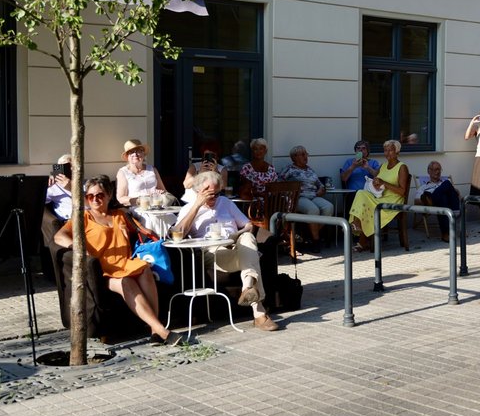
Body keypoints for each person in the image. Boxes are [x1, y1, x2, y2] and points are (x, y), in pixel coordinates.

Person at [54, 175, 183, 345]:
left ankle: (154, 331)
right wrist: (75, 246)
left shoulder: (120, 215)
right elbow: (58, 236)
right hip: (103, 269)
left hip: (125, 263)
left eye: (99, 195)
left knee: (144, 269)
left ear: (109, 195)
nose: (95, 199)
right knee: (126, 282)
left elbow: (145, 232)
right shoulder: (83, 218)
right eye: (90, 196)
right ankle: (161, 330)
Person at [174, 171, 279, 331]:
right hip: (212, 253)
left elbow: (248, 225)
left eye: (217, 193)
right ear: (197, 191)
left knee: (248, 238)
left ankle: (247, 288)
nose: (214, 198)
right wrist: (197, 205)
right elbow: (178, 233)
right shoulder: (189, 208)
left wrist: (237, 233)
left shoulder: (226, 203)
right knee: (251, 255)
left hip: (236, 247)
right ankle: (259, 312)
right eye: (209, 194)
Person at [348, 139, 409, 252]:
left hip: (393, 201)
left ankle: (362, 241)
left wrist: (384, 183)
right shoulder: (383, 166)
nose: (387, 153)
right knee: (361, 193)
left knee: (367, 206)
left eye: (390, 150)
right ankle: (357, 225)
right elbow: (376, 177)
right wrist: (373, 178)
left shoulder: (402, 167)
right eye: (385, 151)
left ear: (397, 152)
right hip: (380, 198)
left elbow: (402, 191)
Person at [280, 145, 334, 253]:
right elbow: (279, 183)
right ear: (294, 157)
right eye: (303, 154)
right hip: (299, 197)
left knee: (329, 207)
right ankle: (315, 241)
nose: (306, 157)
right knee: (313, 210)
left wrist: (321, 189)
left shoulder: (310, 170)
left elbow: (320, 184)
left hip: (314, 195)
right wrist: (290, 192)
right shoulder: (289, 170)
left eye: (306, 154)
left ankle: (307, 235)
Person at [414, 161, 461, 242]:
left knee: (446, 186)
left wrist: (455, 191)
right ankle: (445, 233)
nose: (437, 172)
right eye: (434, 169)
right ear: (429, 171)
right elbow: (416, 201)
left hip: (446, 202)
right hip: (434, 204)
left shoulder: (445, 183)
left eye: (438, 169)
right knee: (442, 197)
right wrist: (424, 202)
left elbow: (457, 195)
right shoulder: (424, 187)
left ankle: (445, 234)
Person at [115, 139, 169, 207]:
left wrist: (160, 193)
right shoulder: (123, 172)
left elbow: (163, 191)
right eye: (131, 152)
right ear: (127, 156)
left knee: (174, 217)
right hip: (138, 208)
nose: (135, 154)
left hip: (157, 206)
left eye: (138, 151)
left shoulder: (152, 169)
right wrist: (139, 200)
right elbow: (121, 198)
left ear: (143, 154)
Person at [45, 153, 73, 221]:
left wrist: (71, 189)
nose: (71, 169)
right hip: (67, 220)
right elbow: (40, 202)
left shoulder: (84, 184)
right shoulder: (53, 187)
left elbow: (88, 205)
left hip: (86, 218)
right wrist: (45, 187)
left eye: (72, 167)